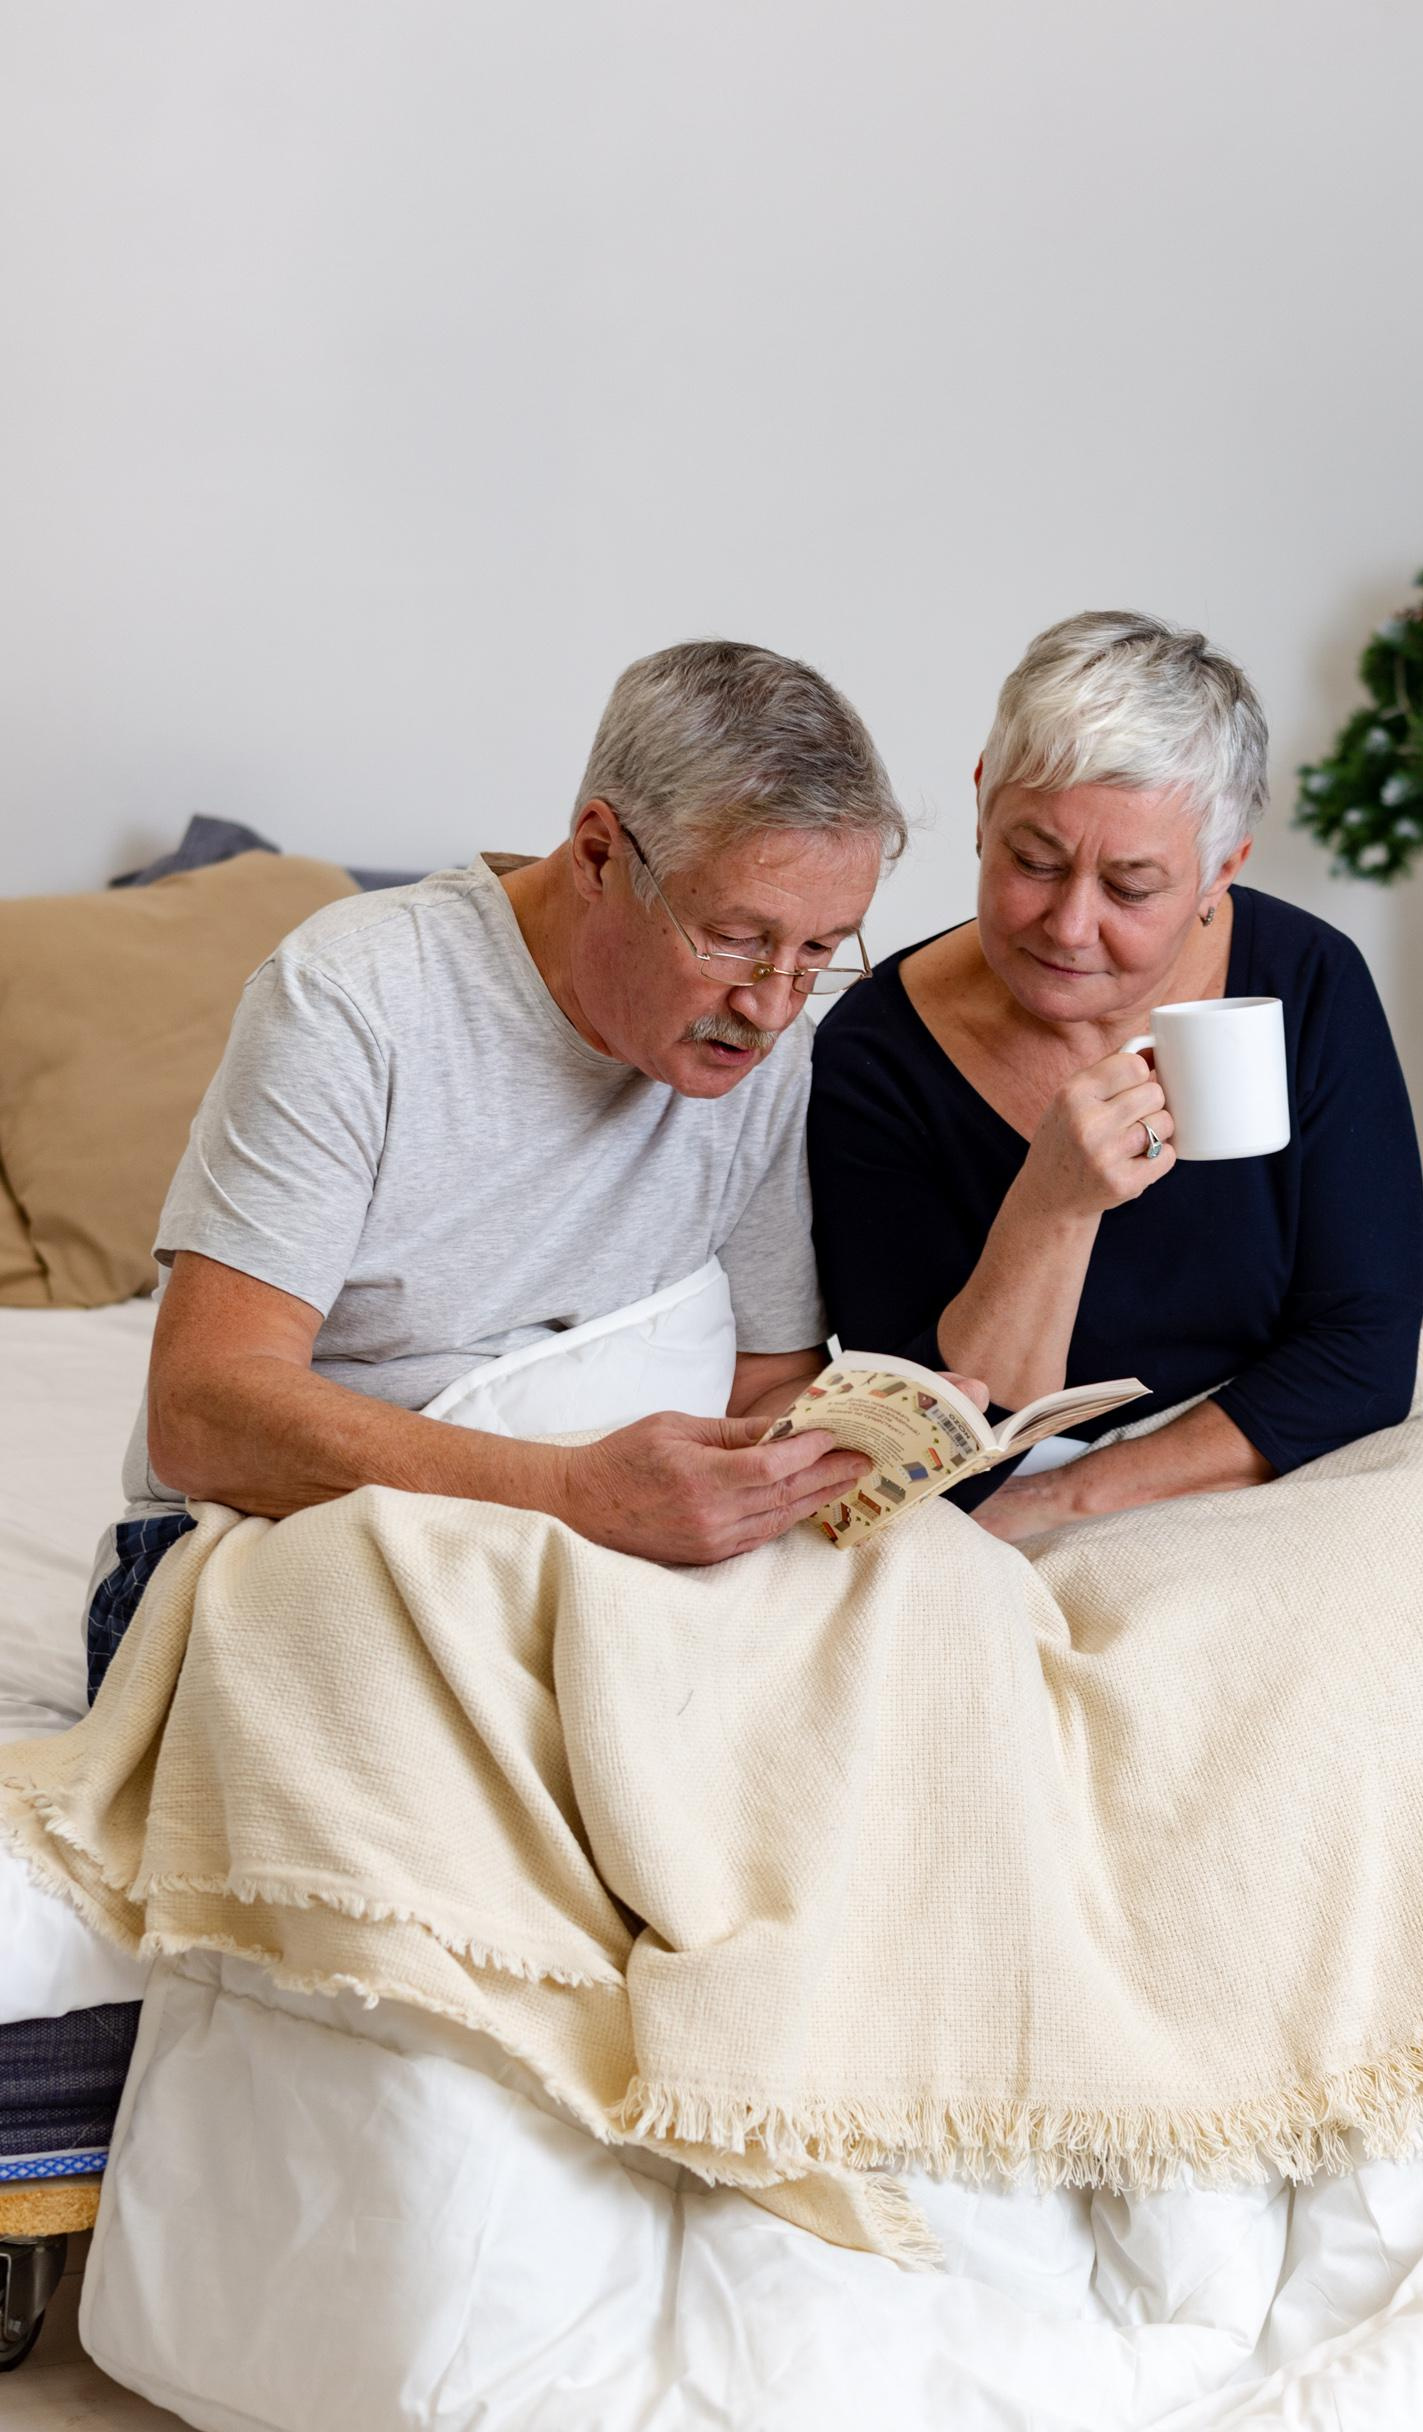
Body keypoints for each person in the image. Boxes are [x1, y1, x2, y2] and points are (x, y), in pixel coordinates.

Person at [91, 639, 901, 1698]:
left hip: (593, 1576)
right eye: (735, 936)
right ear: (600, 853)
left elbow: (768, 1382)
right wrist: (568, 1493)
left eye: (817, 950)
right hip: (273, 1548)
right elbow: (201, 1414)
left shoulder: (766, 1043)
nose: (772, 1001)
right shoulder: (355, 997)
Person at [808, 611, 1423, 1542]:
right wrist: (1052, 1206)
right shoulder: (876, 1056)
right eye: (1034, 860)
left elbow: (1365, 1355)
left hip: (1259, 1464)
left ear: (1222, 870)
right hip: (992, 1497)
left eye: (1132, 887)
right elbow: (934, 1451)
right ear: (982, 804)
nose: (1067, 925)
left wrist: (1076, 1500)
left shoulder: (1304, 978)